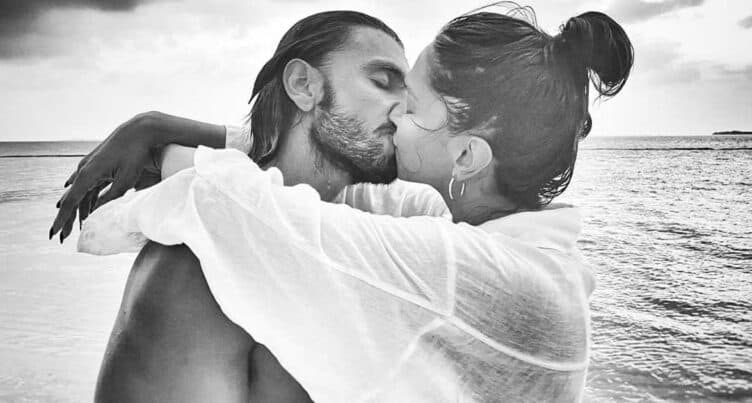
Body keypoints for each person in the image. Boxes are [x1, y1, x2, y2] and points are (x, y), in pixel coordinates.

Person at [60, 7, 633, 403]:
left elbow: (231, 204)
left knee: (198, 262)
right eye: (386, 85)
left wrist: (156, 153)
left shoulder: (469, 271)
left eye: (411, 106)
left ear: (465, 156)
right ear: (304, 86)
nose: (396, 117)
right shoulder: (498, 244)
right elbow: (299, 189)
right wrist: (157, 127)